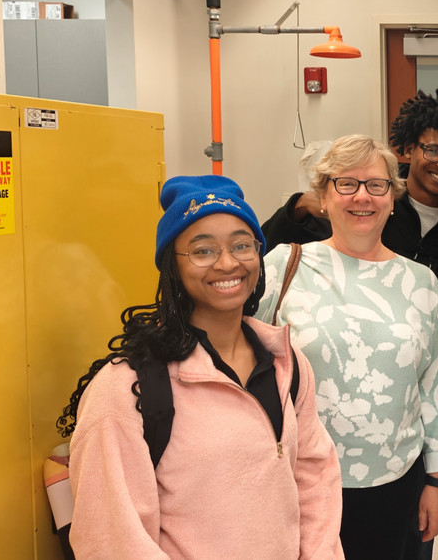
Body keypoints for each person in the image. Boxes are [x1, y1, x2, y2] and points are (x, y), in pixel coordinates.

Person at [57, 175, 343, 559]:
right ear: (171, 267)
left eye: (242, 245)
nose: (227, 263)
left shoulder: (284, 362)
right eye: (202, 251)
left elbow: (314, 477)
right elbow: (112, 538)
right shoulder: (128, 388)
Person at [261, 84, 438, 467]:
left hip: (412, 398)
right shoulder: (365, 206)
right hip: (327, 418)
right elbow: (269, 260)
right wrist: (299, 209)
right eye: (434, 150)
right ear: (410, 148)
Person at [256, 134, 438, 560]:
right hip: (298, 481)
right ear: (323, 197)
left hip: (397, 483)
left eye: (376, 185)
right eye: (346, 184)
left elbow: (437, 388)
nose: (362, 196)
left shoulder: (420, 283)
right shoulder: (283, 267)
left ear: (391, 197)